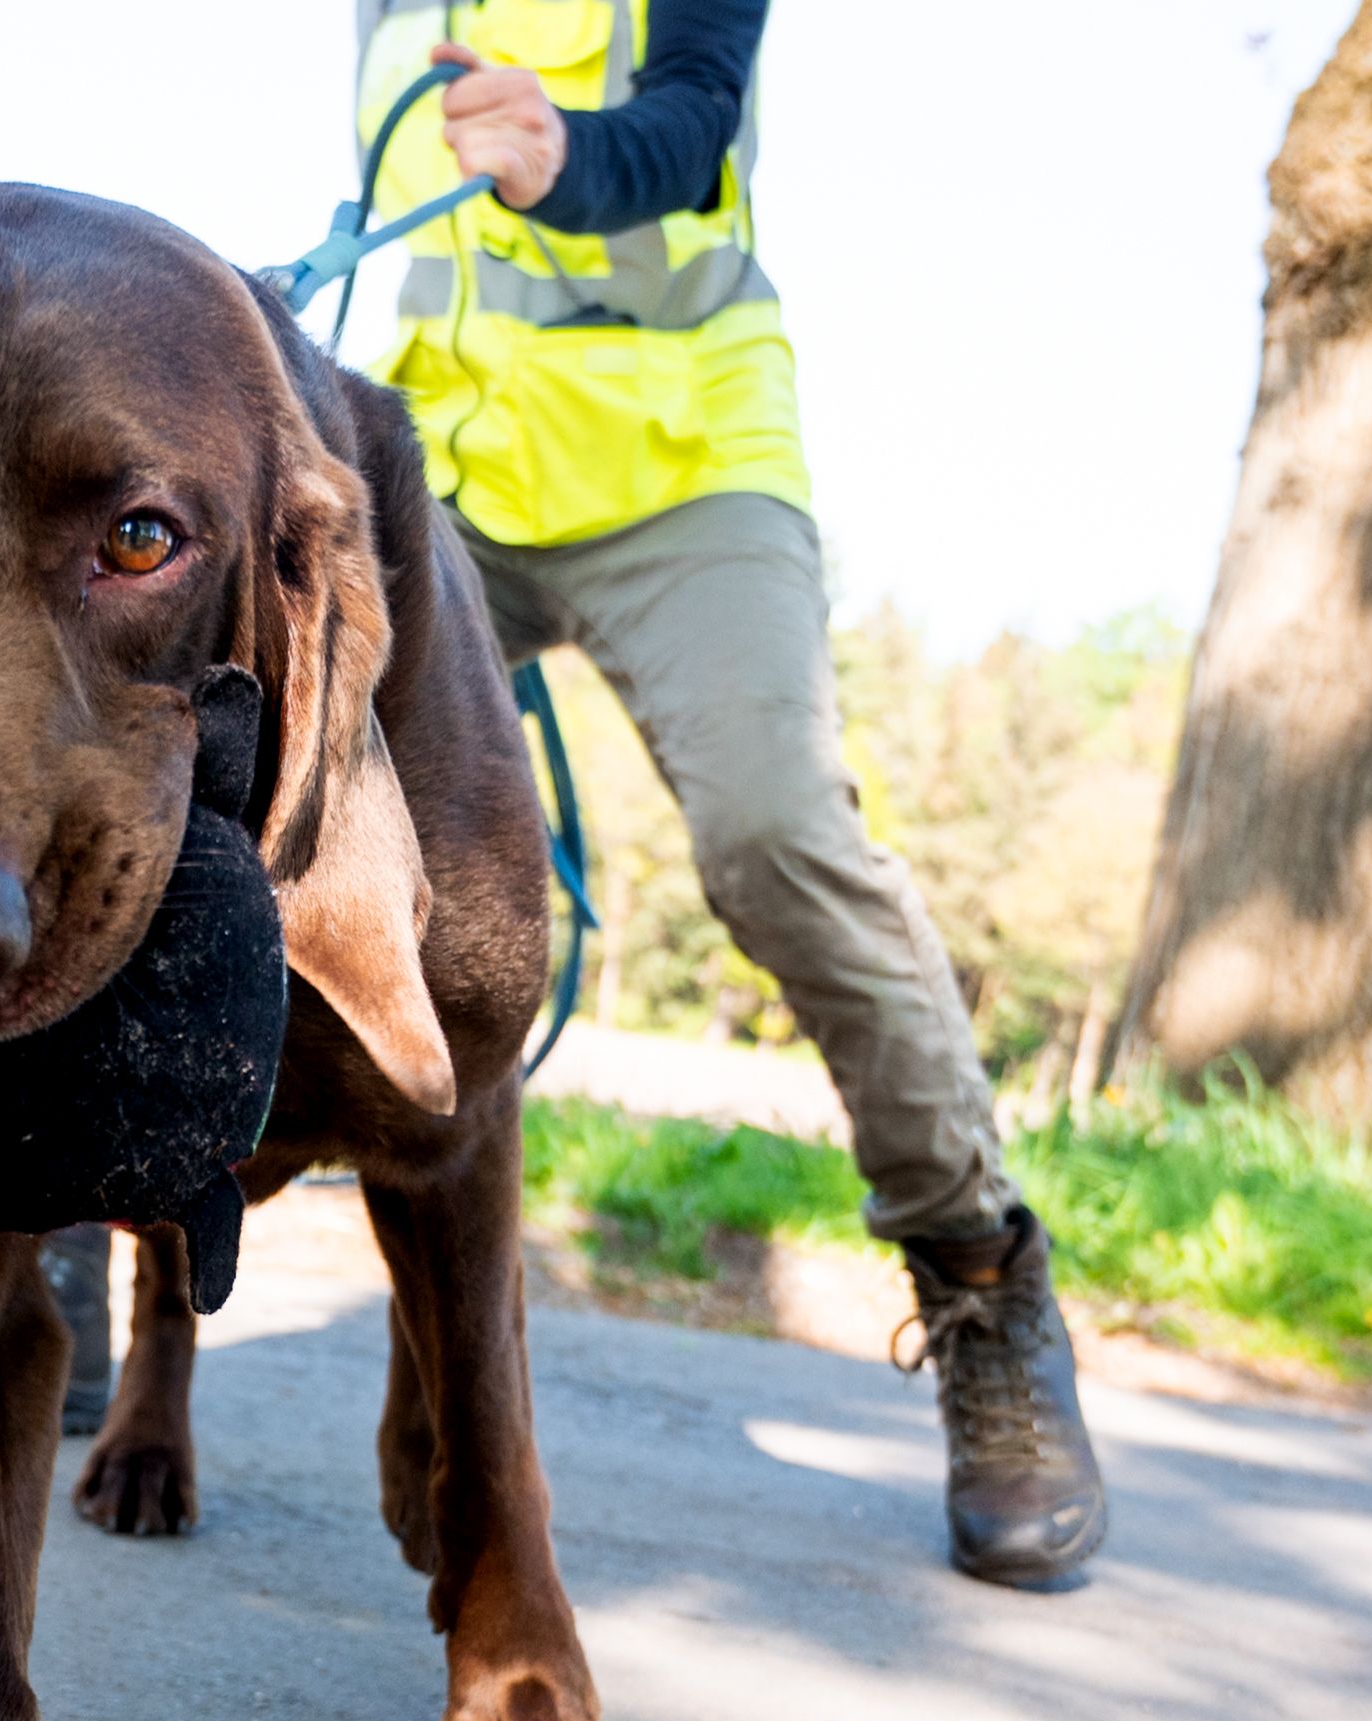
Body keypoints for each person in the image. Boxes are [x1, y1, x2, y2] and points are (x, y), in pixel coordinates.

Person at [351, 0, 1109, 1582]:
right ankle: (80, 1219)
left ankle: (980, 1271)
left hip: (685, 462)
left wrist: (564, 157)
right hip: (451, 462)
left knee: (774, 837)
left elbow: (692, 117)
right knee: (230, 736)